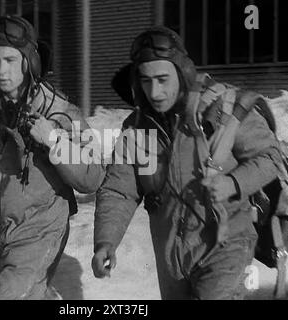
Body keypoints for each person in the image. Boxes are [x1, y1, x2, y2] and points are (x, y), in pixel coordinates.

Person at [91, 26, 283, 300]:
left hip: (227, 245)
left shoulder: (222, 110)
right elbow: (119, 190)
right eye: (146, 81)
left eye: (162, 79)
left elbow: (271, 157)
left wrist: (233, 183)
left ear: (182, 73)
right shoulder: (136, 129)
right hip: (171, 255)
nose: (154, 91)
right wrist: (105, 242)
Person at [0, 15, 105, 300]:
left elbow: (93, 174)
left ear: (28, 60)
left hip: (41, 228)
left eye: (10, 60)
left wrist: (53, 140)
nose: (1, 70)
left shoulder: (58, 109)